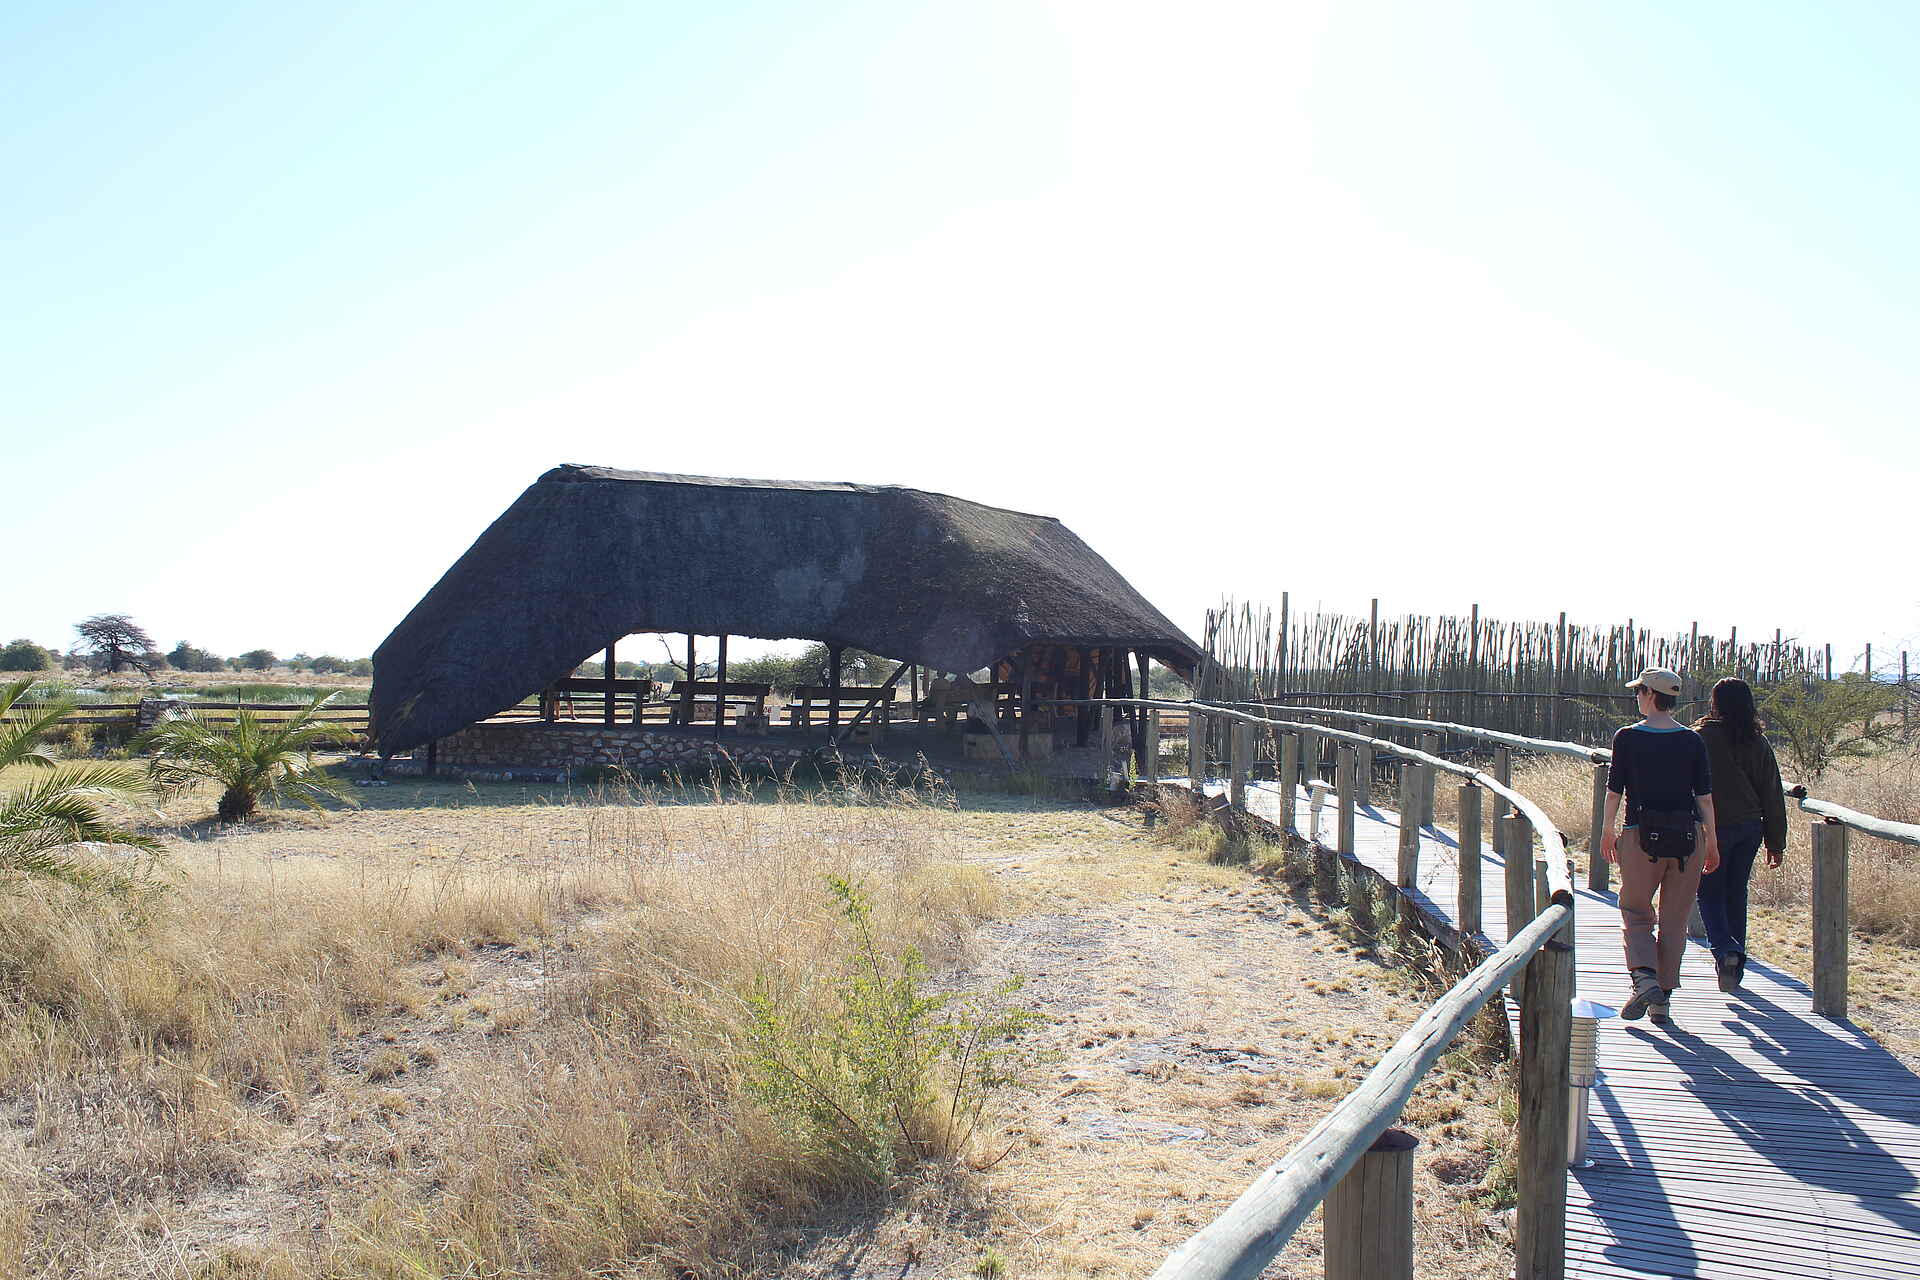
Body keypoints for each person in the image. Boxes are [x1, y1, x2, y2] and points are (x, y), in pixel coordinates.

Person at [1601, 667, 1721, 1024]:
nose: (1637, 697)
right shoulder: (1692, 741)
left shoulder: (1627, 738)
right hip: (1688, 839)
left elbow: (1614, 791)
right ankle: (1662, 1001)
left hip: (1641, 836)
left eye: (1639, 691)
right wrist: (1712, 842)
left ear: (1651, 695)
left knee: (1635, 910)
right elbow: (1704, 798)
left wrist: (1607, 831)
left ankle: (1644, 978)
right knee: (1675, 918)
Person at [1693, 677, 1788, 992]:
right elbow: (1771, 794)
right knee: (1736, 891)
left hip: (1712, 827)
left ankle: (1725, 950)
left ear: (1715, 703)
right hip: (1749, 827)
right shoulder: (1757, 742)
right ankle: (1735, 958)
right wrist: (1776, 842)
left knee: (1709, 891)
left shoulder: (1700, 738)